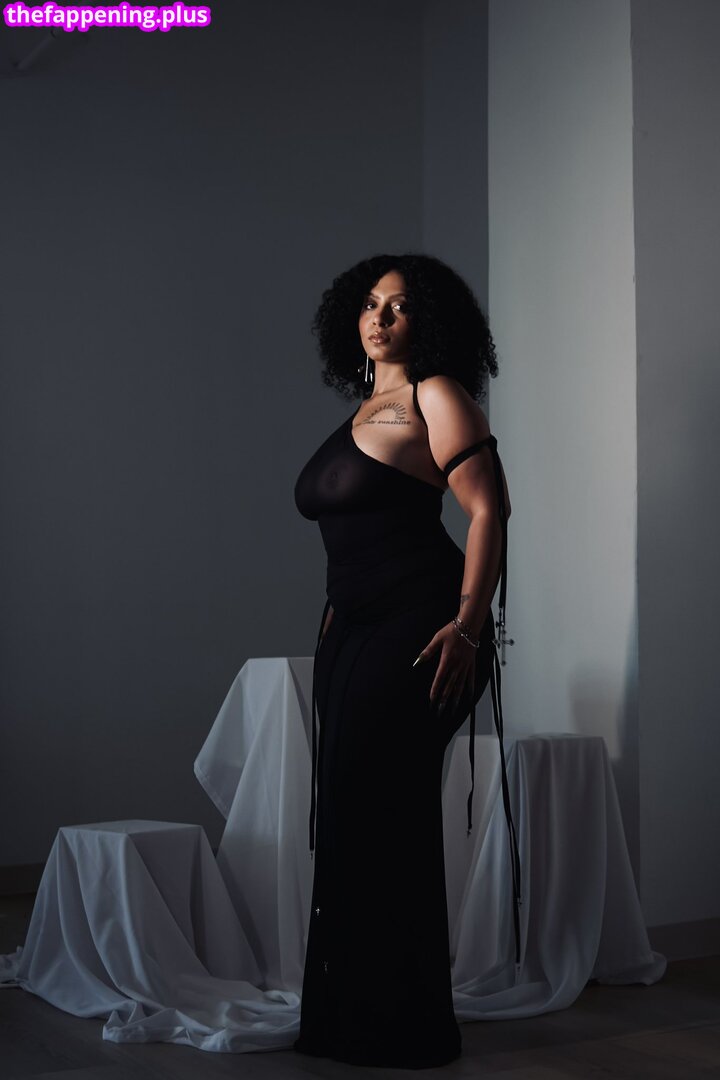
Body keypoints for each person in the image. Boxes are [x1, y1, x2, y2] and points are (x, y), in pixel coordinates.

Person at [292, 252, 521, 1068]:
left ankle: (404, 1026)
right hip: (352, 636)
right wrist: (337, 610)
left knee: (384, 815)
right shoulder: (364, 409)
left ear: (429, 320)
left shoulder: (436, 395)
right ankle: (346, 1019)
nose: (380, 318)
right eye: (368, 304)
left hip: (424, 630)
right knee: (349, 818)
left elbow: (489, 509)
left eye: (399, 305)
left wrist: (469, 627)